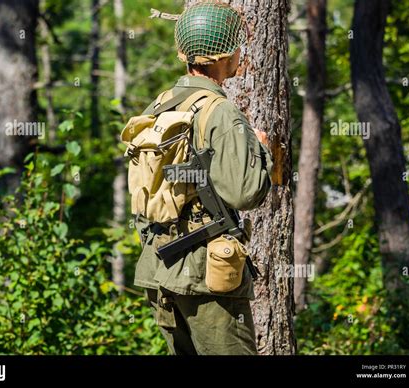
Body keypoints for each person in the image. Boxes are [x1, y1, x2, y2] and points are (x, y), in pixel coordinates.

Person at [133, 1, 273, 355]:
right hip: (206, 273)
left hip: (158, 266)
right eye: (237, 46)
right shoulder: (220, 112)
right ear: (226, 56)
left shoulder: (162, 104)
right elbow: (244, 193)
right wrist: (262, 152)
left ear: (185, 52)